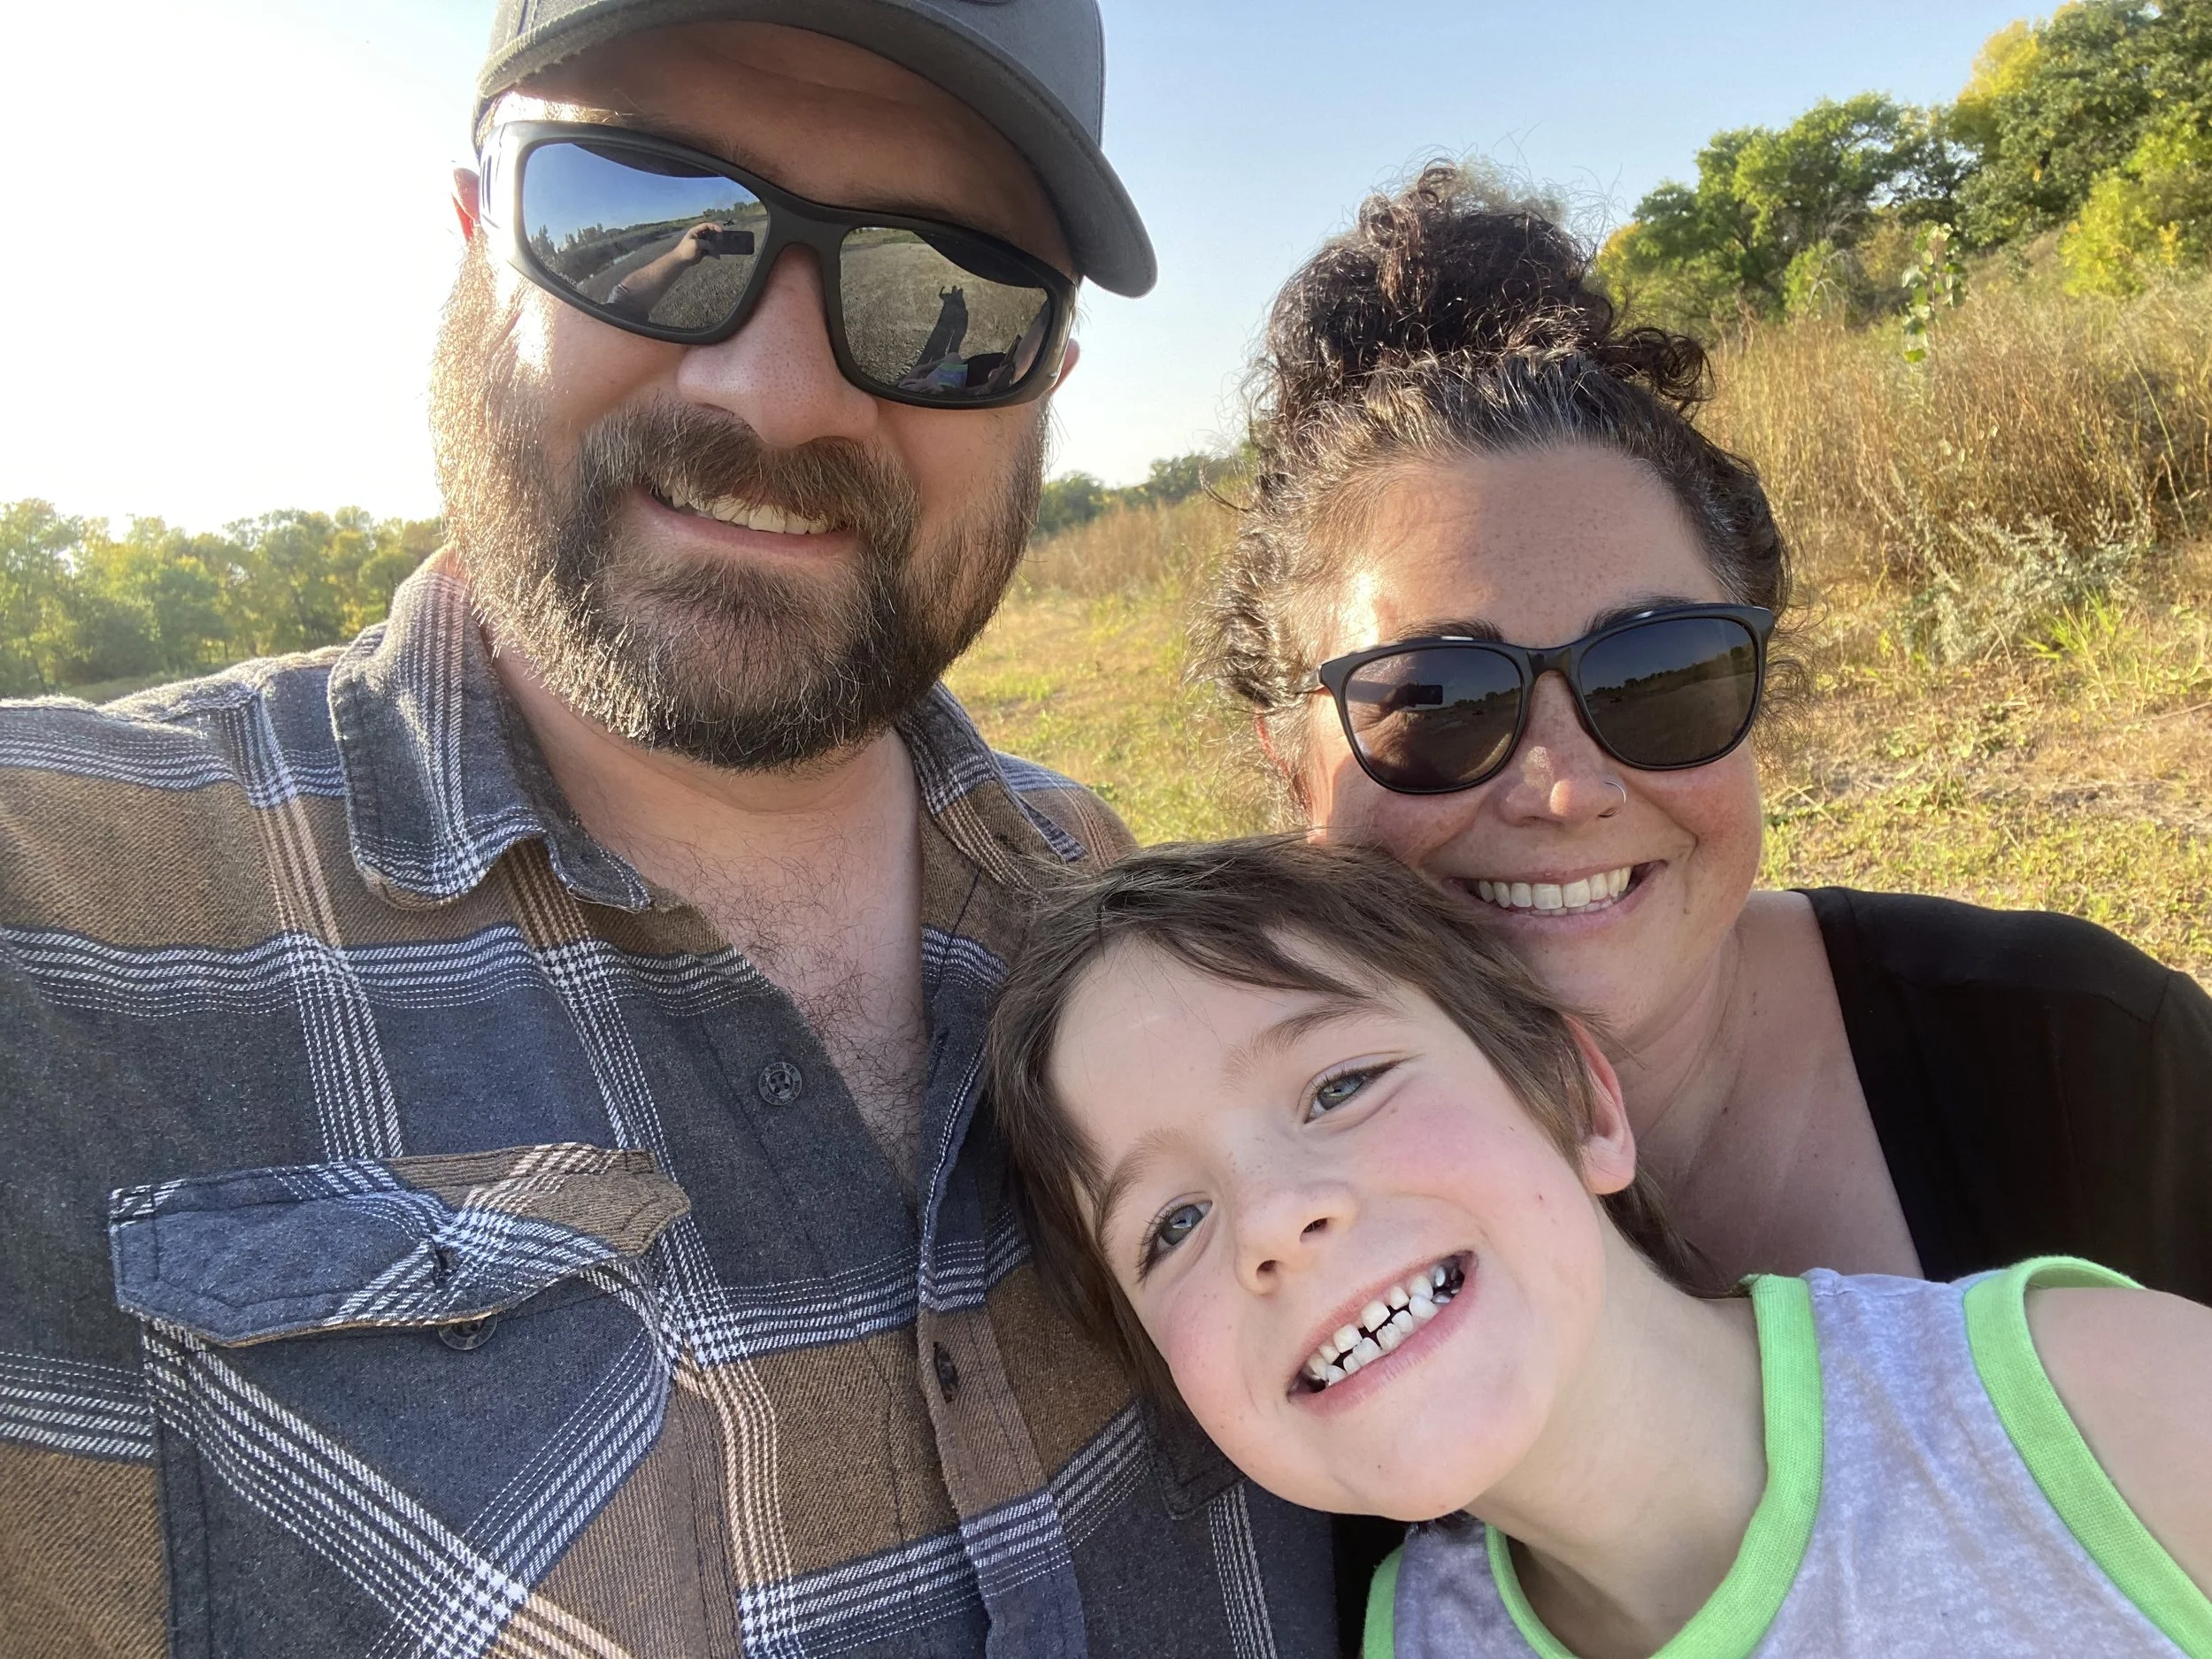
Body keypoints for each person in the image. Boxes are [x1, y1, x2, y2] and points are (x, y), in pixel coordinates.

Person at [0, 8, 1336, 1656]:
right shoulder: (62, 917)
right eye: (639, 220)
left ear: (1047, 376)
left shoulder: (1108, 902)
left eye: (949, 300)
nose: (778, 398)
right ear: (481, 233)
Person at [1196, 164, 2212, 1301]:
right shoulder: (1234, 1228)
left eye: (1657, 672)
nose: (1565, 788)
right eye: (1438, 698)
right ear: (1286, 759)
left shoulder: (2082, 1060)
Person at [983, 833, 2212, 1658]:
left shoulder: (2095, 1413)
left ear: (1581, 1099)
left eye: (1341, 1082)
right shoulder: (1417, 1639)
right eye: (1172, 1224)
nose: (1270, 1221)